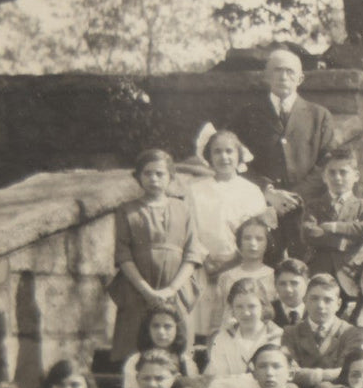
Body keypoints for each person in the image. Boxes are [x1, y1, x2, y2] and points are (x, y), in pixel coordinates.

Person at [108, 149, 204, 361]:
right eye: (148, 173)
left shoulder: (183, 209)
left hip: (175, 288)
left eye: (160, 173)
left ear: (170, 177)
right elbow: (123, 255)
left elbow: (192, 253)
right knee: (134, 343)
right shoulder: (127, 210)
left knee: (175, 341)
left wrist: (171, 289)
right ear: (139, 177)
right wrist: (146, 291)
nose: (154, 178)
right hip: (138, 289)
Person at [189, 128, 272, 337]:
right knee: (205, 326)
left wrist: (235, 258)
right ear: (209, 156)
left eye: (229, 151)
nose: (224, 157)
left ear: (239, 155)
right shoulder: (195, 190)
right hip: (205, 267)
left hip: (240, 265)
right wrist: (206, 260)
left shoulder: (251, 191)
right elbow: (189, 230)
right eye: (217, 152)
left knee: (237, 321)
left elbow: (259, 233)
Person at [231, 47, 335, 202]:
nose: (283, 77)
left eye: (290, 71)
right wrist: (267, 191)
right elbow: (238, 160)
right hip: (261, 203)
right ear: (266, 76)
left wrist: (298, 194)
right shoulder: (246, 115)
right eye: (277, 70)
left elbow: (328, 162)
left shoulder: (319, 116)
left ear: (300, 79)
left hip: (308, 206)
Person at [284, 149, 363, 295]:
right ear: (324, 177)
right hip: (319, 273)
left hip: (352, 275)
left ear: (356, 176)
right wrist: (342, 242)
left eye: (343, 172)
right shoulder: (314, 205)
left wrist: (334, 227)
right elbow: (308, 233)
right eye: (332, 173)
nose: (337, 178)